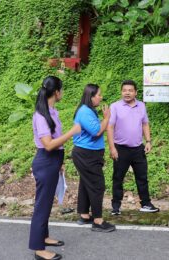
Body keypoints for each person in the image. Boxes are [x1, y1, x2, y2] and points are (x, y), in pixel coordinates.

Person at [29, 76, 81, 260]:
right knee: (42, 205)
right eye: (62, 90)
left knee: (46, 202)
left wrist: (60, 162)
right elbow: (49, 144)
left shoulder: (51, 111)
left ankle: (44, 236)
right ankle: (38, 248)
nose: (63, 93)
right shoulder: (41, 116)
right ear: (57, 92)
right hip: (45, 160)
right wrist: (71, 132)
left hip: (53, 161)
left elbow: (55, 145)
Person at [107, 80, 159, 215]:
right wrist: (112, 148)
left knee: (142, 177)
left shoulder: (141, 106)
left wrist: (148, 141)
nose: (127, 93)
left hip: (138, 148)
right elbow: (110, 127)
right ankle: (116, 207)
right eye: (124, 90)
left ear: (135, 92)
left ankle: (146, 204)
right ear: (121, 92)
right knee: (118, 178)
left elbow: (145, 124)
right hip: (120, 148)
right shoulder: (115, 106)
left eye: (130, 90)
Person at [72, 83, 116, 232]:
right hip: (86, 154)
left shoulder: (89, 111)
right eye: (99, 95)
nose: (101, 97)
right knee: (97, 185)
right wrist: (106, 118)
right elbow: (97, 131)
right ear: (91, 97)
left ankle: (84, 215)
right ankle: (98, 221)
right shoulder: (85, 112)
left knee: (86, 184)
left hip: (88, 153)